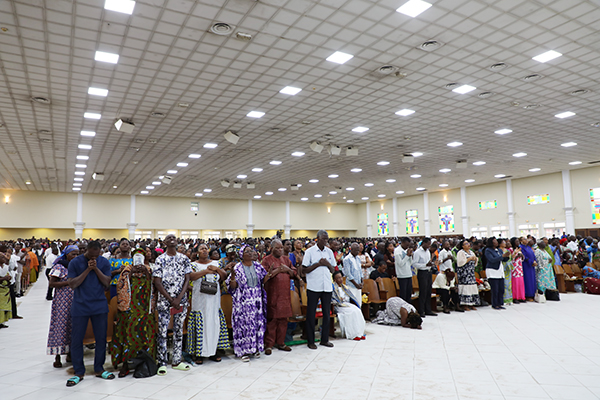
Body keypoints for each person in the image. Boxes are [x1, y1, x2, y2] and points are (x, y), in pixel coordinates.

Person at [66, 241, 114, 387]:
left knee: (101, 338)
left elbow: (107, 282)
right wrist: (87, 269)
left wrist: (96, 269)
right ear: (86, 250)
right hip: (80, 305)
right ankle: (78, 372)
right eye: (91, 255)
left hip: (99, 305)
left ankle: (99, 369)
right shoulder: (75, 262)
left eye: (96, 255)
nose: (94, 258)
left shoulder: (104, 262)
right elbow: (72, 284)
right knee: (77, 339)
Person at [111, 248, 158, 377]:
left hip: (145, 309)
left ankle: (146, 362)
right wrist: (131, 273)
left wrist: (146, 273)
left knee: (145, 335)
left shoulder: (149, 270)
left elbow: (155, 286)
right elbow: (120, 286)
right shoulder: (127, 270)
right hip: (130, 310)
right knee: (128, 336)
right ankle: (126, 364)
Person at [153, 234, 192, 375]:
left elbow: (187, 279)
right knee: (162, 332)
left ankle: (176, 360)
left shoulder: (184, 258)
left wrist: (179, 298)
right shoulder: (160, 259)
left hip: (181, 301)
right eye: (168, 238)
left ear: (177, 241)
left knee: (178, 330)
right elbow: (157, 282)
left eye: (173, 238)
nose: (171, 239)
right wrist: (171, 299)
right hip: (165, 301)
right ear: (164, 242)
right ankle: (162, 362)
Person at [187, 244, 230, 364]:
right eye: (202, 249)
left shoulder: (216, 263)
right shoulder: (193, 265)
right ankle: (199, 353)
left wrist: (216, 269)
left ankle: (213, 351)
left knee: (213, 323)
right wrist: (206, 271)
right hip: (200, 300)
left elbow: (224, 276)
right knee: (202, 324)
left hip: (214, 300)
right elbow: (192, 277)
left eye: (206, 248)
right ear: (197, 253)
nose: (204, 250)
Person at [226, 245, 268, 361]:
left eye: (251, 251)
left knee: (256, 325)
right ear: (241, 255)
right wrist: (233, 275)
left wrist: (269, 274)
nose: (250, 253)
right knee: (244, 326)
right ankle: (243, 351)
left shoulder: (258, 266)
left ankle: (255, 349)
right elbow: (232, 287)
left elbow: (263, 280)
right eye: (247, 251)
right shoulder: (238, 268)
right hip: (243, 302)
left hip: (257, 301)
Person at [301, 230, 336, 350]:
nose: (325, 241)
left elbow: (333, 270)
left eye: (327, 239)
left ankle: (324, 340)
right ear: (317, 239)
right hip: (314, 287)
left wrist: (327, 264)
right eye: (323, 239)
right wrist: (318, 264)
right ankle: (310, 341)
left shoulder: (329, 252)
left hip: (327, 287)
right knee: (311, 314)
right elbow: (304, 270)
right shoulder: (310, 252)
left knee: (327, 314)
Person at [47, 245, 79, 368]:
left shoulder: (77, 267)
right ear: (66, 254)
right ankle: (57, 356)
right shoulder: (59, 266)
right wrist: (69, 282)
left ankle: (70, 353)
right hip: (62, 302)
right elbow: (52, 283)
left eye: (77, 254)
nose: (75, 257)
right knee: (61, 326)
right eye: (73, 254)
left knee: (73, 326)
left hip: (75, 300)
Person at [262, 239, 296, 355]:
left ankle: (281, 343)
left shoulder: (286, 259)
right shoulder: (266, 260)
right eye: (278, 248)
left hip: (284, 295)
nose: (280, 250)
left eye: (281, 248)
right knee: (272, 320)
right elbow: (264, 276)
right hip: (272, 295)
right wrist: (277, 270)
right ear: (271, 249)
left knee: (283, 320)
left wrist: (287, 270)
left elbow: (294, 273)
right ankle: (269, 345)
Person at [331, 270, 365, 340]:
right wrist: (339, 300)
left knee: (357, 310)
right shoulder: (333, 288)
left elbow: (349, 297)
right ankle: (352, 334)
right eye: (338, 278)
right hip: (338, 306)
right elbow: (332, 299)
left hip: (346, 304)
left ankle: (359, 333)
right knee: (351, 313)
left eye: (341, 277)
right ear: (334, 280)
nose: (340, 279)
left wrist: (344, 298)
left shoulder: (344, 287)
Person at [413, 237, 437, 317]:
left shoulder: (428, 252)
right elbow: (415, 264)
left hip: (428, 272)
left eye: (430, 244)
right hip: (422, 273)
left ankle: (428, 310)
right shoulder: (417, 252)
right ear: (423, 243)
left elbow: (428, 262)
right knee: (423, 292)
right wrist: (425, 265)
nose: (429, 246)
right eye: (428, 244)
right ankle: (421, 311)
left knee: (428, 291)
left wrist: (432, 264)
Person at [456, 240, 481, 310]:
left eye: (468, 243)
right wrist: (469, 259)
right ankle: (465, 304)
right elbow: (460, 263)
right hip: (464, 273)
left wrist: (475, 259)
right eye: (466, 244)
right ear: (462, 246)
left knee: (472, 287)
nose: (468, 245)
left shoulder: (471, 252)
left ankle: (472, 303)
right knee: (466, 288)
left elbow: (475, 262)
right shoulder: (460, 252)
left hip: (471, 273)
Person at [484, 237, 508, 310]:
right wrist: (502, 256)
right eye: (495, 241)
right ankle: (494, 304)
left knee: (501, 289)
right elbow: (492, 260)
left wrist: (506, 256)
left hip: (500, 271)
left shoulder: (499, 250)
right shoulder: (488, 250)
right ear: (491, 242)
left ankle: (500, 303)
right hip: (492, 271)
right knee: (495, 289)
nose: (497, 242)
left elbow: (503, 259)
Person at [394, 237, 414, 303]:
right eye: (406, 245)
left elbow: (411, 263)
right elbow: (400, 263)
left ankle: (408, 307)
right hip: (402, 275)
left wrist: (410, 256)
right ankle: (403, 308)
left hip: (409, 274)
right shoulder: (397, 251)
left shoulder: (407, 250)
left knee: (409, 294)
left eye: (408, 245)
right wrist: (407, 255)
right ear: (402, 243)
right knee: (403, 294)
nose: (407, 247)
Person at [510, 237, 525, 303]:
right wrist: (516, 256)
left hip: (519, 268)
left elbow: (522, 259)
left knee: (520, 282)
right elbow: (510, 259)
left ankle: (521, 297)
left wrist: (521, 256)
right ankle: (515, 297)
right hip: (514, 268)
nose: (518, 243)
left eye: (518, 241)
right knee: (515, 283)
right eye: (516, 241)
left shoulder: (519, 249)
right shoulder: (511, 249)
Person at [0, 252, 13, 328]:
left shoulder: (4, 267)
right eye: (2, 257)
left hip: (5, 288)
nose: (4, 259)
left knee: (4, 307)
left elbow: (8, 274)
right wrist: (4, 278)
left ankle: (2, 321)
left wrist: (8, 278)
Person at [500, 239, 513, 306]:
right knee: (504, 284)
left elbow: (510, 258)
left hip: (508, 268)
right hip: (502, 268)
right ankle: (504, 299)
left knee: (508, 285)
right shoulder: (499, 251)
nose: (505, 243)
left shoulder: (507, 250)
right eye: (503, 242)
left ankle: (509, 299)